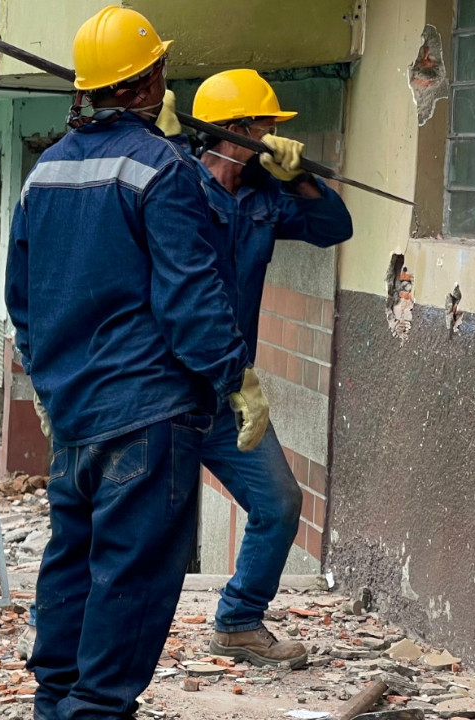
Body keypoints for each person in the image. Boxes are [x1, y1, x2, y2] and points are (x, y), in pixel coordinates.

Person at [6, 7, 270, 720]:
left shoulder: (45, 173)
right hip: (148, 416)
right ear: (150, 78)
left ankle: (54, 702)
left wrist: (46, 381)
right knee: (132, 576)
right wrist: (235, 380)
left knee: (73, 560)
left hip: (74, 414)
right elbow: (190, 297)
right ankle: (95, 710)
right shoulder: (161, 169)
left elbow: (22, 300)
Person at [188, 69, 353, 667]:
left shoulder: (262, 199)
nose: (273, 134)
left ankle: (237, 621)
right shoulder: (175, 191)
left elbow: (335, 228)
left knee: (279, 501)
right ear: (237, 131)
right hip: (165, 392)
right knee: (140, 521)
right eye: (264, 126)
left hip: (230, 396)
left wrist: (300, 176)